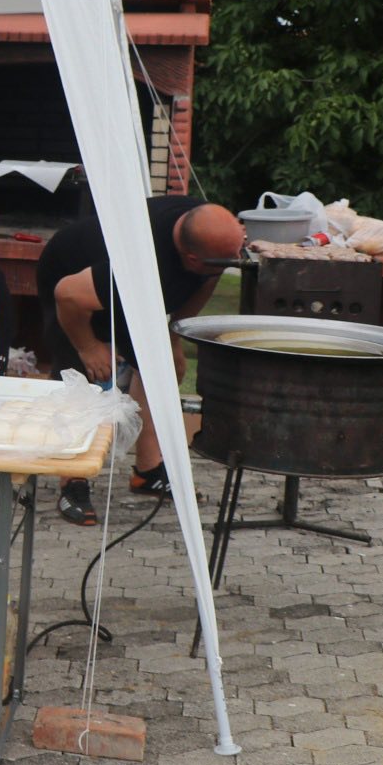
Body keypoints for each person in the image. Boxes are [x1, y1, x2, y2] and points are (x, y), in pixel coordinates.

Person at [37, 196, 246, 524]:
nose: (225, 267)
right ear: (190, 257)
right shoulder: (138, 262)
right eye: (220, 263)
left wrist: (172, 338)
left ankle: (147, 471)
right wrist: (88, 346)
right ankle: (72, 481)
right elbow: (68, 294)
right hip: (71, 281)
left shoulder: (207, 234)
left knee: (162, 368)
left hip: (118, 287)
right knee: (82, 378)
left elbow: (206, 280)